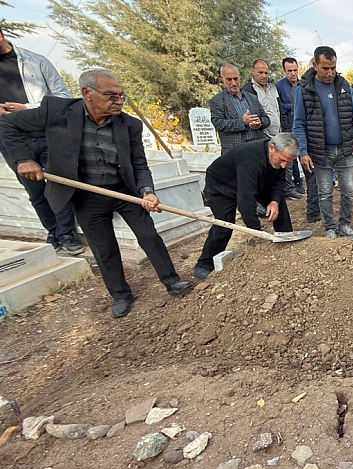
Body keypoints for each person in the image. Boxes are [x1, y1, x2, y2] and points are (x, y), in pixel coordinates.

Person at [0, 69, 191, 318]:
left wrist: (147, 191)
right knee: (104, 248)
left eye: (121, 96)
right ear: (86, 93)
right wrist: (23, 159)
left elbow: (139, 164)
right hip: (86, 195)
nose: (119, 102)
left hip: (124, 191)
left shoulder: (129, 125)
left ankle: (171, 280)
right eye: (111, 96)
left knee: (149, 235)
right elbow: (7, 124)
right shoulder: (57, 112)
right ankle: (121, 295)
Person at [0, 27, 83, 255]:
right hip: (10, 139)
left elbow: (63, 97)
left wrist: (26, 108)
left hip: (45, 131)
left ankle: (67, 234)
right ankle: (53, 230)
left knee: (58, 183)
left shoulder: (35, 61)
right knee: (33, 188)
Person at [193, 133, 297, 280]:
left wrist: (274, 201)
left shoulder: (279, 158)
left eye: (288, 162)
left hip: (257, 182)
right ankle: (205, 264)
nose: (284, 165)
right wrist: (256, 231)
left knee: (279, 206)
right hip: (222, 186)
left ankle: (288, 241)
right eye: (282, 160)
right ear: (272, 148)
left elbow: (279, 182)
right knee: (224, 224)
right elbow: (245, 200)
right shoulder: (250, 159)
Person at [293, 46, 353, 239]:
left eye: (333, 68)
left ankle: (344, 225)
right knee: (324, 193)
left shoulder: (343, 86)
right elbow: (298, 123)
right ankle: (330, 228)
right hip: (320, 151)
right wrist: (303, 152)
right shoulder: (304, 90)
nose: (330, 73)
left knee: (348, 191)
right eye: (325, 68)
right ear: (315, 65)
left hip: (344, 149)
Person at [241, 59, 303, 201]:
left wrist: (286, 130)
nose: (264, 75)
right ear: (253, 71)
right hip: (262, 136)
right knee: (268, 168)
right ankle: (269, 197)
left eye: (266, 73)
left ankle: (287, 190)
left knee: (285, 163)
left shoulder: (273, 88)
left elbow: (280, 111)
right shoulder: (247, 90)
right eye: (260, 72)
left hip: (279, 132)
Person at [209, 64, 270, 154]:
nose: (233, 83)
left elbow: (266, 119)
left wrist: (259, 123)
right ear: (222, 79)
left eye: (236, 79)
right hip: (235, 151)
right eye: (229, 79)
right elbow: (219, 124)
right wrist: (242, 122)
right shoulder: (217, 100)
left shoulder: (252, 97)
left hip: (257, 148)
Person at [275, 57, 305, 195]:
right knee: (290, 158)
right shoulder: (279, 87)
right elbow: (279, 107)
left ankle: (303, 183)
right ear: (284, 71)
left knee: (303, 154)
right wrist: (293, 107)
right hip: (288, 128)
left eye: (295, 70)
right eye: (290, 71)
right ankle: (294, 184)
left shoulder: (303, 85)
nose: (293, 73)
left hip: (302, 128)